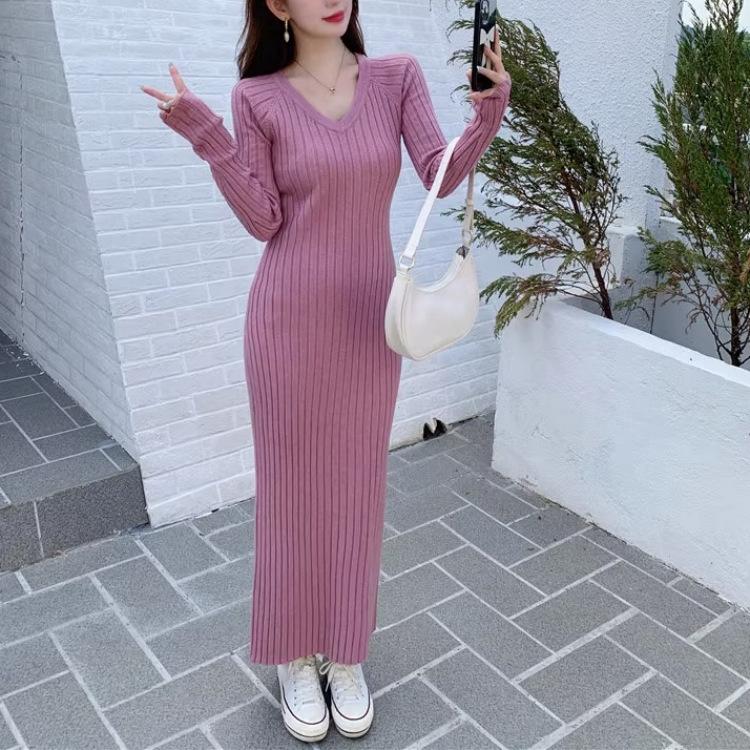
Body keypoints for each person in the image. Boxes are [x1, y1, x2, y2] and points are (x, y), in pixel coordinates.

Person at [142, 0, 511, 742]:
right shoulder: (257, 97)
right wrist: (208, 134)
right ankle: (292, 655)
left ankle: (345, 654)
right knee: (290, 495)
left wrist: (488, 111)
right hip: (286, 322)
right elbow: (265, 220)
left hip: (368, 323)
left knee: (356, 489)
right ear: (278, 6)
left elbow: (438, 177)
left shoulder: (396, 78)